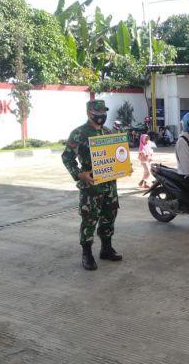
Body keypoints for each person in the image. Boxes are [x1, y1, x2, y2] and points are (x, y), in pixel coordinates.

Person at [62, 100, 123, 271]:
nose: (101, 116)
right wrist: (79, 174)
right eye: (97, 113)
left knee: (109, 215)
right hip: (91, 186)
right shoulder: (79, 133)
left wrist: (123, 166)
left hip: (109, 184)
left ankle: (106, 248)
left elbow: (117, 156)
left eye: (103, 112)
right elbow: (67, 157)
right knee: (89, 218)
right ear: (89, 113)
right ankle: (87, 253)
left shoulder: (108, 132)